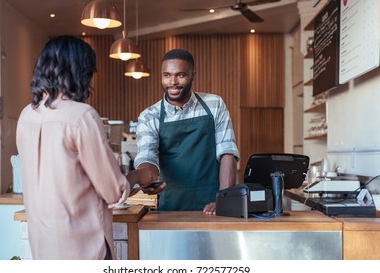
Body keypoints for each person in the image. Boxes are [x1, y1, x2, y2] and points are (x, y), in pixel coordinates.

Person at [16, 35, 159, 260]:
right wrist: (140, 176)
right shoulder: (81, 115)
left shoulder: (26, 115)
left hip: (42, 244)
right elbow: (113, 190)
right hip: (82, 246)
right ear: (80, 72)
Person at [134, 48, 240, 214]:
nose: (172, 82)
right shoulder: (149, 116)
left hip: (212, 204)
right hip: (170, 205)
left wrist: (223, 198)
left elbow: (227, 152)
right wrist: (144, 178)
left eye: (180, 75)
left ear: (192, 76)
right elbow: (147, 156)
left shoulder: (214, 104)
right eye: (167, 75)